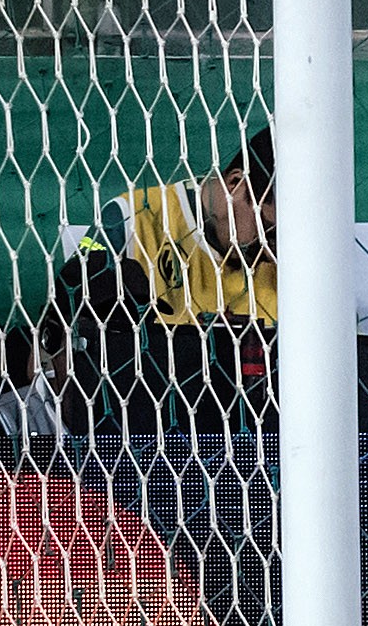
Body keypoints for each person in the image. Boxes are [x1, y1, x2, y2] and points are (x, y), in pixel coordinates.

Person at [49, 126, 277, 436]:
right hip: (147, 439)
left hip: (264, 444)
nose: (271, 251)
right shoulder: (134, 217)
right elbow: (58, 334)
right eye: (269, 230)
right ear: (235, 184)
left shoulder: (298, 262)